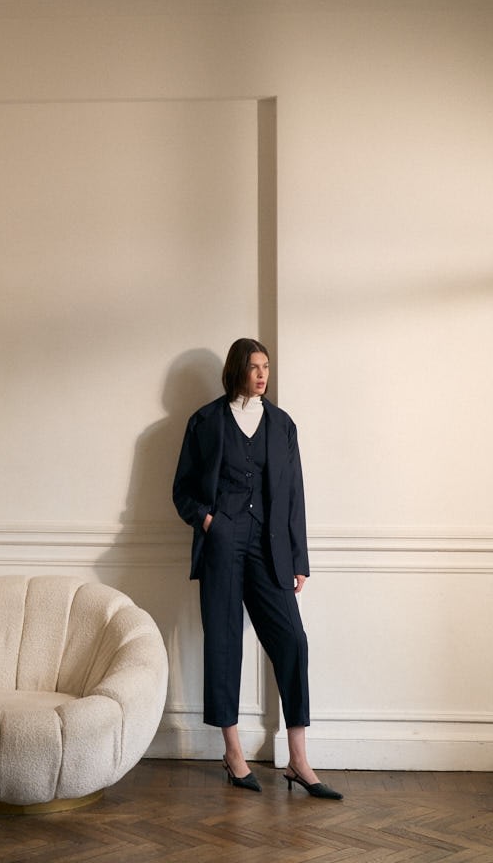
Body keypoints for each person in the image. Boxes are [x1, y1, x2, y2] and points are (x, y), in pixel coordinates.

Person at [172, 337, 342, 800]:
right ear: (237, 370)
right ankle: (233, 753)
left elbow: (294, 495)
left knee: (293, 641)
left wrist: (299, 558)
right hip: (223, 544)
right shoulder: (205, 422)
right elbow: (182, 491)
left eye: (266, 366)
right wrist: (209, 521)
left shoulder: (282, 425)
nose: (263, 374)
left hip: (270, 548)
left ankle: (299, 760)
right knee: (224, 645)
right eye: (254, 367)